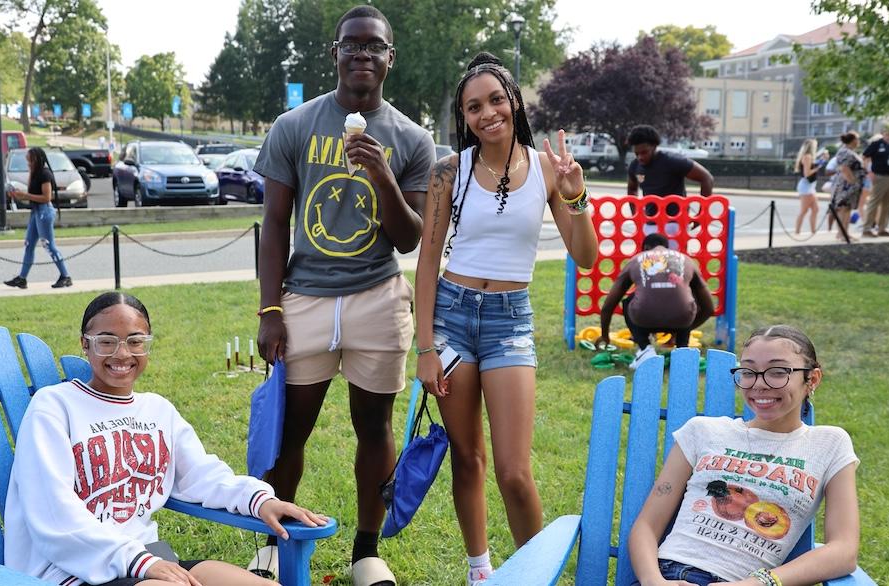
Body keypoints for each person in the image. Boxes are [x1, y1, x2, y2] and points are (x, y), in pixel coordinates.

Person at [252, 6, 435, 585]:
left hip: (377, 296)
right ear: (334, 54)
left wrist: (380, 172)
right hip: (304, 297)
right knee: (289, 430)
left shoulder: (411, 138)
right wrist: (270, 308)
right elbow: (275, 222)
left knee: (374, 426)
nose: (362, 54)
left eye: (373, 46)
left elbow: (408, 238)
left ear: (390, 58)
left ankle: (365, 552)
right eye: (350, 45)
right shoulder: (295, 125)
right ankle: (274, 542)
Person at [414, 52, 598, 586]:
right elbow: (427, 264)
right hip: (451, 315)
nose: (487, 113)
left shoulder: (547, 169)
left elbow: (585, 257)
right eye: (474, 107)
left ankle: (532, 574)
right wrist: (425, 348)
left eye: (496, 99)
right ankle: (481, 572)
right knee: (467, 458)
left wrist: (576, 195)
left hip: (509, 322)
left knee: (515, 472)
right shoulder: (450, 171)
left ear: (514, 102)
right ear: (463, 116)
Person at [3, 292, 327, 586]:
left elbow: (201, 475)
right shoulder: (53, 407)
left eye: (135, 341)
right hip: (71, 571)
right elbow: (52, 510)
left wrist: (260, 500)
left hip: (150, 561)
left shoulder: (158, 411)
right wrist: (140, 560)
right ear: (84, 344)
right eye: (106, 341)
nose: (122, 353)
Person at [629, 325, 859, 586]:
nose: (759, 384)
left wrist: (757, 583)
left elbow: (844, 550)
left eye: (777, 372)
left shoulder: (829, 444)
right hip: (666, 575)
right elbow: (645, 527)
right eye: (748, 372)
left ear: (812, 379)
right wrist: (653, 582)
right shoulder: (703, 431)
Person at [598, 232, 714, 370]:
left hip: (644, 318)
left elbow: (608, 305)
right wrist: (687, 325)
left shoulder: (636, 260)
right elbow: (708, 308)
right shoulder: (686, 260)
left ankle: (645, 348)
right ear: (667, 247)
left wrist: (605, 336)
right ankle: (682, 349)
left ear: (646, 248)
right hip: (681, 319)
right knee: (687, 302)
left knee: (628, 302)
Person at [3, 146, 73, 289]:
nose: (27, 161)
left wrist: (25, 195)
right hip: (36, 212)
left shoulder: (45, 174)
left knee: (49, 245)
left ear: (36, 159)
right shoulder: (34, 172)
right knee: (29, 245)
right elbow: (31, 193)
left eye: (29, 159)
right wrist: (17, 194)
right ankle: (22, 278)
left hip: (44, 212)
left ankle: (65, 276)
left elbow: (46, 197)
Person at [626, 125, 714, 227]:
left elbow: (707, 178)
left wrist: (701, 214)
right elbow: (632, 189)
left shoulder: (673, 161)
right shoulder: (635, 166)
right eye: (637, 154)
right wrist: (636, 215)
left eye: (644, 152)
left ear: (654, 147)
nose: (640, 157)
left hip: (676, 222)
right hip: (651, 222)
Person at [861, 125, 889, 237]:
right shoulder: (876, 144)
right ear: (883, 133)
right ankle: (867, 229)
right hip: (879, 176)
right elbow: (864, 157)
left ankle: (883, 228)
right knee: (874, 202)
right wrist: (869, 172)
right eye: (887, 133)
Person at [830, 131, 865, 241]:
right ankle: (842, 234)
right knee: (844, 209)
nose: (859, 141)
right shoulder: (845, 152)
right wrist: (853, 182)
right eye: (857, 139)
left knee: (847, 209)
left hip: (850, 185)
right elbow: (844, 168)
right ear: (853, 140)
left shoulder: (849, 151)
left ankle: (844, 233)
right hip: (846, 185)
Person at [793, 139, 822, 235]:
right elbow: (806, 173)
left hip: (810, 186)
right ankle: (797, 231)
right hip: (806, 186)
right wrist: (816, 169)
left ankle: (813, 231)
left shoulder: (808, 157)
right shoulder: (807, 157)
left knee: (815, 209)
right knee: (804, 210)